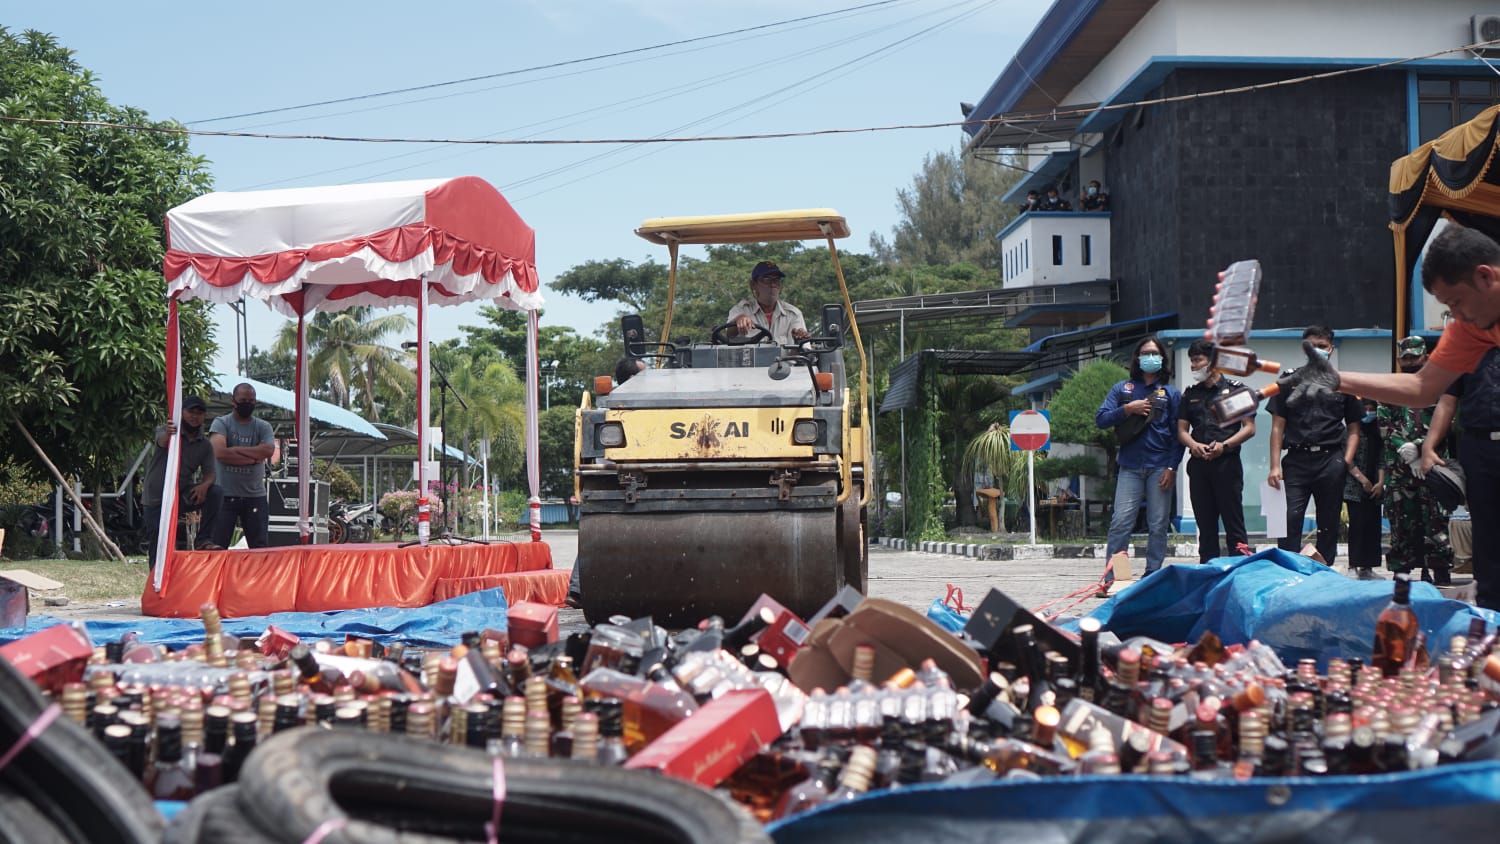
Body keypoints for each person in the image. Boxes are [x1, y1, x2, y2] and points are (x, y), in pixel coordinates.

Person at [1277, 224, 1500, 609]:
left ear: (1486, 276)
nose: (1456, 315)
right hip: (1486, 451)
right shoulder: (1471, 325)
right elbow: (1423, 388)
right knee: (1491, 568)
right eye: (1448, 307)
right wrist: (1338, 380)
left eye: (1457, 302)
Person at [1266, 325, 1362, 565]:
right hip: (1296, 461)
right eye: (1312, 346)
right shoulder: (1288, 381)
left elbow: (1354, 429)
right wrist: (1274, 466)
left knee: (1328, 522)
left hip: (1331, 460)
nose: (1317, 351)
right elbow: (1277, 426)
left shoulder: (1343, 384)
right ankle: (1287, 568)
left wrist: (1345, 462)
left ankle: (1324, 569)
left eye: (1322, 346)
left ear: (1331, 348)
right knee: (1288, 518)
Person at [1096, 336, 1183, 585]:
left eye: (1155, 353)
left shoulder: (1171, 393)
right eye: (1145, 353)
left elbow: (1178, 435)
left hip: (1159, 466)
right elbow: (1101, 419)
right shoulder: (1122, 389)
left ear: (1163, 359)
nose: (1150, 357)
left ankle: (1152, 575)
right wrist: (1127, 409)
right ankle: (1112, 575)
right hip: (1130, 466)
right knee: (1121, 521)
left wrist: (1172, 467)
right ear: (1137, 357)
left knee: (1158, 524)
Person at [1376, 336, 1454, 583]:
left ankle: (1440, 570)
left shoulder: (1441, 386)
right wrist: (1404, 449)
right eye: (1405, 358)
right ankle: (1402, 572)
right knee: (1401, 521)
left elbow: (1448, 421)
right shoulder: (1391, 386)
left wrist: (1421, 447)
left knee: (1436, 519)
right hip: (1399, 468)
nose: (1410, 362)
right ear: (1399, 359)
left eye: (1415, 357)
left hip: (1434, 464)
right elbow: (1383, 423)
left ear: (1425, 357)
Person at [1422, 346, 1500, 586]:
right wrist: (1429, 446)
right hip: (1478, 447)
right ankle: (1489, 604)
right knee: (1485, 527)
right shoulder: (1467, 350)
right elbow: (1447, 402)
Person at [1176, 339, 1254, 562]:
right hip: (1199, 466)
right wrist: (1194, 445)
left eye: (1198, 360)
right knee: (1206, 525)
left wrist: (1225, 445)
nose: (1194, 366)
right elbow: (1182, 430)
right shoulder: (1190, 394)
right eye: (1192, 361)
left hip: (1226, 464)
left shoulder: (1237, 391)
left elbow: (1249, 428)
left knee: (1233, 522)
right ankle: (1208, 571)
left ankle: (1240, 568)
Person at [143, 395, 223, 557]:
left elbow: (211, 473)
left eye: (199, 413)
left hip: (180, 494)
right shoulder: (167, 431)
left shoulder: (205, 445)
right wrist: (170, 432)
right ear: (181, 413)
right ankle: (156, 576)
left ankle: (204, 540)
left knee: (216, 492)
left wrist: (204, 485)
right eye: (190, 412)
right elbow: (162, 441)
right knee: (159, 543)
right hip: (157, 496)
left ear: (204, 416)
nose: (194, 416)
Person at [208, 383, 276, 549]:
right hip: (225, 495)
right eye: (243, 400)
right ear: (233, 401)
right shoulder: (221, 423)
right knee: (217, 546)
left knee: (259, 549)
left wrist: (235, 450)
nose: (248, 404)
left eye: (251, 401)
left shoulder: (263, 426)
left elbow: (268, 450)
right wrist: (254, 457)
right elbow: (220, 453)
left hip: (255, 496)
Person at [1343, 398, 1385, 580]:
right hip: (1355, 487)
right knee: (1357, 526)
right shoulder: (1351, 432)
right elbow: (1347, 460)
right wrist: (1362, 480)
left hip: (1375, 488)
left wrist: (1380, 482)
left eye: (1372, 409)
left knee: (1373, 527)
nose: (1368, 413)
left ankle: (1368, 567)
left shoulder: (1378, 433)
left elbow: (1383, 458)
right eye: (1365, 409)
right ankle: (1353, 565)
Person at [726, 261, 809, 346]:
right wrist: (738, 320)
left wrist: (799, 342)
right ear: (753, 285)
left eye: (776, 280)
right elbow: (728, 336)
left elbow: (798, 356)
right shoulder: (741, 309)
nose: (772, 285)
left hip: (785, 360)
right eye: (767, 280)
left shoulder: (793, 314)